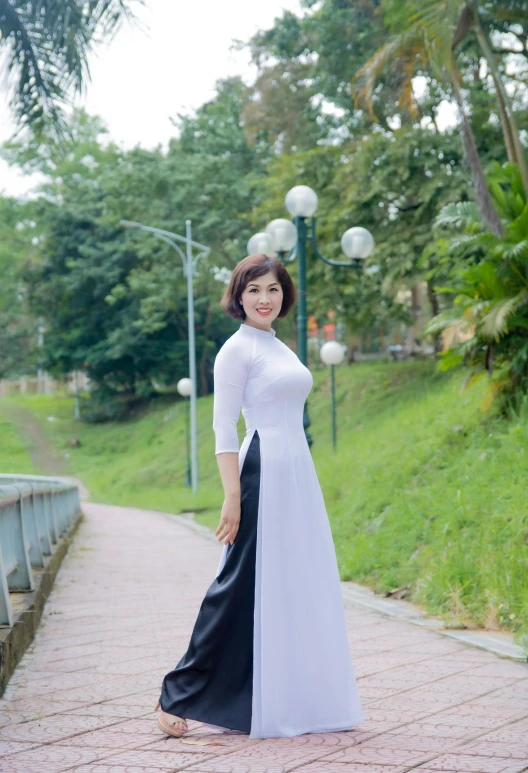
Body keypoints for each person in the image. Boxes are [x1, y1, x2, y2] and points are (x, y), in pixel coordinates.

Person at [156, 253, 363, 739]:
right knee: (237, 583)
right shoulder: (236, 349)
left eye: (272, 289)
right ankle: (177, 694)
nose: (264, 298)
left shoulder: (278, 347)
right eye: (253, 290)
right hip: (259, 470)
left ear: (283, 294)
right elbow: (223, 426)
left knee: (293, 582)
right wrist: (233, 495)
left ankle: (285, 697)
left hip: (296, 473)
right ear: (238, 296)